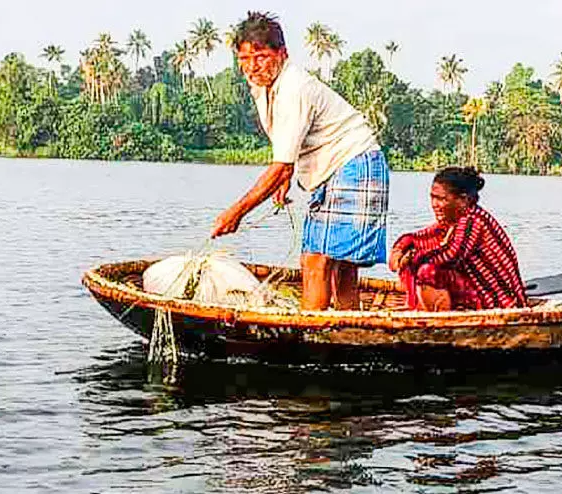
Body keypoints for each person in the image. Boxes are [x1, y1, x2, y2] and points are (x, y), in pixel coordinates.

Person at [210, 12, 388, 311]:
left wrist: (236, 213)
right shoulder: (261, 86)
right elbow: (286, 151)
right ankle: (345, 329)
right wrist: (285, 178)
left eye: (261, 56)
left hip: (354, 164)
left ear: (282, 54)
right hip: (336, 169)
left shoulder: (294, 88)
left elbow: (280, 164)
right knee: (336, 265)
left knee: (317, 260)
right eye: (244, 58)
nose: (252, 67)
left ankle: (311, 336)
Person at [389, 167, 526, 311]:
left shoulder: (473, 221)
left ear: (463, 200)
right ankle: (420, 308)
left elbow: (451, 255)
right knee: (420, 261)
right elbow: (417, 238)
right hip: (479, 295)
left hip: (497, 302)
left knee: (427, 271)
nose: (434, 205)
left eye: (441, 199)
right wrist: (399, 249)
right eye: (432, 197)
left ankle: (435, 318)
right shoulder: (453, 221)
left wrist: (411, 259)